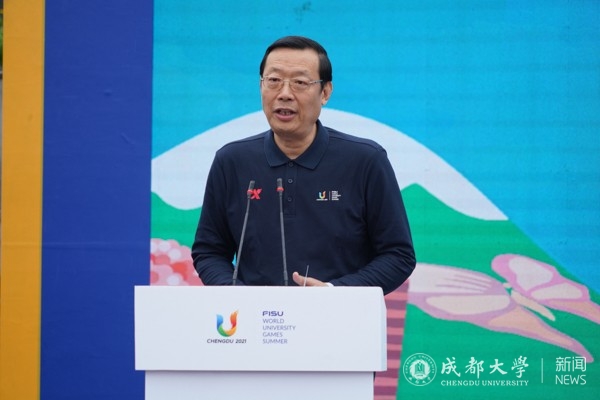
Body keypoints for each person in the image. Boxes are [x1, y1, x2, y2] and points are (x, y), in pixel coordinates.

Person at [191, 36, 416, 295]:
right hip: (254, 318)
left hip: (339, 317)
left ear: (325, 92)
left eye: (299, 82)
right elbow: (209, 251)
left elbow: (398, 255)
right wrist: (239, 296)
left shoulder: (366, 160)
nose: (284, 94)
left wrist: (335, 292)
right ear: (261, 86)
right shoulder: (231, 161)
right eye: (273, 80)